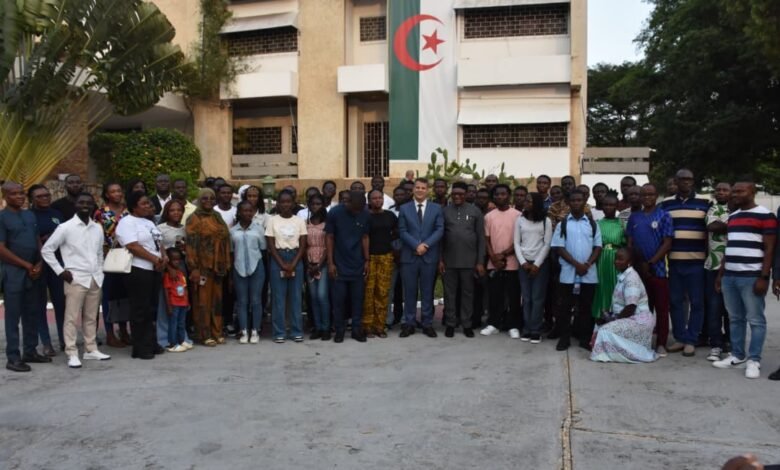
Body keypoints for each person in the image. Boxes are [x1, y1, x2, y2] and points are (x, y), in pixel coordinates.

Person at [714, 180, 776, 379]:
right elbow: (730, 247)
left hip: (751, 276)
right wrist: (720, 274)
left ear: (753, 192)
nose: (735, 194)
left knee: (756, 320)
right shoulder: (733, 216)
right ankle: (738, 355)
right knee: (735, 318)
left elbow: (769, 250)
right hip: (730, 275)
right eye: (734, 192)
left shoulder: (766, 216)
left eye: (741, 191)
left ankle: (754, 360)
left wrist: (764, 277)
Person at [41, 192, 111, 368]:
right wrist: (60, 271)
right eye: (81, 202)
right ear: (76, 205)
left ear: (93, 205)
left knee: (91, 317)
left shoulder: (97, 228)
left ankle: (90, 349)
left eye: (89, 202)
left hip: (95, 278)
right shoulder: (65, 227)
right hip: (76, 278)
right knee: (71, 318)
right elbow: (47, 250)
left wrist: (100, 271)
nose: (85, 205)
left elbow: (99, 253)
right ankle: (72, 352)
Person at [660, 169, 710, 357]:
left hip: (697, 262)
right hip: (674, 262)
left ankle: (691, 339)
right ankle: (680, 337)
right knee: (675, 301)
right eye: (682, 180)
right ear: (677, 181)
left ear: (693, 181)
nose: (686, 183)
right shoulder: (666, 204)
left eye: (689, 179)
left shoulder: (705, 202)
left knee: (697, 302)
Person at [0, 181, 49, 372]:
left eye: (21, 193)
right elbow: (1, 249)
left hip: (33, 270)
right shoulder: (2, 218)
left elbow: (37, 240)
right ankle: (13, 357)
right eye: (14, 194)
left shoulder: (29, 215)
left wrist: (39, 261)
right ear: (5, 196)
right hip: (13, 271)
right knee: (13, 315)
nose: (19, 197)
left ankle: (30, 350)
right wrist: (26, 265)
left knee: (32, 312)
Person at [550, 190, 603, 351]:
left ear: (585, 201)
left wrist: (586, 264)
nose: (576, 203)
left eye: (579, 200)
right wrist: (576, 264)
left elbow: (598, 247)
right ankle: (564, 338)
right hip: (568, 274)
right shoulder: (563, 224)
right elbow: (558, 247)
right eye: (573, 200)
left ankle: (584, 338)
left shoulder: (593, 224)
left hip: (588, 274)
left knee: (586, 308)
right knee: (565, 307)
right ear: (568, 203)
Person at [115, 191, 165, 360]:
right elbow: (133, 246)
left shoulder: (149, 222)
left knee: (151, 308)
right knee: (140, 310)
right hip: (138, 270)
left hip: (154, 270)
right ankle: (140, 347)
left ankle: (151, 341)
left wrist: (162, 259)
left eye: (148, 204)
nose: (148, 206)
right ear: (133, 206)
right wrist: (154, 259)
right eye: (143, 203)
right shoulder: (126, 222)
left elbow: (159, 242)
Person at [626, 184, 673, 357]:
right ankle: (642, 341)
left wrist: (651, 262)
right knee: (642, 309)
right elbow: (630, 242)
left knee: (661, 308)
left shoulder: (664, 216)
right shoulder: (634, 217)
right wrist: (635, 263)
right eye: (643, 194)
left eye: (650, 194)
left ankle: (661, 343)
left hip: (658, 270)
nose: (647, 198)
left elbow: (667, 243)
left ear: (656, 196)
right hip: (638, 271)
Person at [590, 248, 657, 363]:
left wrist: (612, 320)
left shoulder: (632, 278)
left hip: (639, 321)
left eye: (621, 259)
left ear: (629, 262)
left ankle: (613, 353)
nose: (616, 261)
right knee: (599, 323)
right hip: (630, 318)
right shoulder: (624, 275)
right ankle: (607, 350)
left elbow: (631, 307)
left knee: (605, 331)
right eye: (616, 258)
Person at [398, 178, 444, 338]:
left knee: (427, 292)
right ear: (413, 190)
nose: (419, 190)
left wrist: (425, 245)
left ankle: (427, 323)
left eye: (423, 188)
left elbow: (439, 230)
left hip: (428, 256)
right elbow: (402, 231)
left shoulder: (436, 208)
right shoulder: (404, 209)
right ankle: (409, 323)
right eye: (417, 187)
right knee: (409, 292)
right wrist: (415, 245)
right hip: (409, 256)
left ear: (427, 190)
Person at [185, 188, 231, 347]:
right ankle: (204, 334)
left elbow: (226, 238)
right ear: (199, 199)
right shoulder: (194, 218)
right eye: (204, 198)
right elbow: (190, 245)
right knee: (202, 301)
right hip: (202, 266)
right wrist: (194, 268)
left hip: (218, 266)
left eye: (212, 198)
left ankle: (217, 331)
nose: (208, 201)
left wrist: (226, 262)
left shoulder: (217, 216)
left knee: (217, 300)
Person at [440, 182, 485, 338]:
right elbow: (440, 238)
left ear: (466, 194)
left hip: (469, 261)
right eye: (454, 194)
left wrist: (479, 262)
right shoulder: (444, 211)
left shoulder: (475, 211)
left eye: (460, 194)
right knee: (449, 294)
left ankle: (467, 324)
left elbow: (481, 238)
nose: (457, 196)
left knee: (468, 294)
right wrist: (440, 260)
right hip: (449, 261)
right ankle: (451, 323)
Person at [326, 191, 370, 342]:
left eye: (360, 209)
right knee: (339, 300)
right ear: (348, 202)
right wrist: (331, 263)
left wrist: (367, 260)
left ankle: (357, 330)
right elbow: (330, 238)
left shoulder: (364, 214)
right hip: (339, 265)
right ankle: (339, 330)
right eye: (355, 209)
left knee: (358, 300)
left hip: (357, 265)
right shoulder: (334, 213)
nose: (358, 212)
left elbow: (365, 237)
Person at [480, 184, 522, 338]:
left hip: (513, 263)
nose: (500, 197)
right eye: (497, 194)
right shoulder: (489, 216)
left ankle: (513, 325)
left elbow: (519, 240)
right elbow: (486, 239)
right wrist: (493, 257)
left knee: (513, 296)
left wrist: (503, 255)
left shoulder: (518, 215)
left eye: (503, 194)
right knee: (494, 295)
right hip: (494, 263)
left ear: (509, 196)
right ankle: (493, 324)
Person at [266, 190, 307, 343]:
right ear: (277, 204)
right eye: (282, 202)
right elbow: (270, 244)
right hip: (278, 258)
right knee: (278, 298)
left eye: (288, 201)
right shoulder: (272, 220)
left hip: (296, 256)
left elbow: (303, 244)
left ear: (293, 203)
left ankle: (296, 330)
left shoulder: (299, 221)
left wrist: (294, 263)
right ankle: (279, 332)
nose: (285, 205)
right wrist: (282, 264)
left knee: (296, 297)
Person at [28, 184, 65, 355]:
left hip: (57, 265)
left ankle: (65, 340)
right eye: (40, 196)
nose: (44, 198)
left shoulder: (57, 214)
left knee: (61, 303)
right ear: (32, 199)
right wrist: (44, 240)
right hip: (38, 264)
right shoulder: (28, 216)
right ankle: (46, 343)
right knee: (40, 304)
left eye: (46, 195)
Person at [94, 182, 132, 348]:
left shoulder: (129, 211)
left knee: (125, 295)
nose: (117, 193)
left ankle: (123, 330)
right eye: (113, 191)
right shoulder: (100, 213)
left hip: (127, 258)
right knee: (109, 297)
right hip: (108, 259)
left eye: (119, 190)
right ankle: (110, 333)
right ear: (107, 194)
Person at [514, 192, 552, 343]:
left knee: (537, 298)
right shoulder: (520, 220)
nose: (525, 202)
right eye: (526, 200)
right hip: (524, 262)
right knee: (527, 297)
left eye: (529, 200)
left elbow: (547, 244)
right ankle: (527, 328)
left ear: (536, 203)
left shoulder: (545, 221)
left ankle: (536, 329)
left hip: (540, 264)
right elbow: (517, 242)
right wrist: (523, 262)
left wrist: (537, 264)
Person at [156, 199, 193, 351]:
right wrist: (167, 268)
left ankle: (181, 337)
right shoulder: (160, 229)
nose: (176, 213)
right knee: (167, 304)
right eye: (172, 210)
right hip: (166, 269)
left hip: (181, 268)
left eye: (179, 210)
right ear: (166, 212)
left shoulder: (185, 229)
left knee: (181, 304)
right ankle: (165, 338)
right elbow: (158, 249)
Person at [362, 190, 397, 338]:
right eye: (374, 198)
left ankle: (380, 325)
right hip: (370, 257)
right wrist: (366, 259)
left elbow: (396, 234)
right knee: (369, 292)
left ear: (383, 200)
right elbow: (363, 237)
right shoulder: (364, 217)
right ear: (369, 200)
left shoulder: (390, 216)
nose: (377, 200)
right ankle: (367, 326)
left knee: (383, 292)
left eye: (380, 198)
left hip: (386, 257)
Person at [230, 201, 265, 344]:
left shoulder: (258, 229)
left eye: (250, 211)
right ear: (239, 212)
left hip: (257, 266)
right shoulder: (232, 231)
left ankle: (255, 330)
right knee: (242, 301)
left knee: (256, 300)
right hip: (239, 268)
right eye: (244, 210)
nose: (247, 213)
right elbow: (231, 252)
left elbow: (263, 249)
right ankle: (244, 330)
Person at [704, 182, 731, 361]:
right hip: (712, 266)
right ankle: (715, 345)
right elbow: (712, 226)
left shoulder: (737, 210)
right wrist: (733, 224)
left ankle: (730, 343)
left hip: (733, 267)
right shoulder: (712, 208)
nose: (721, 192)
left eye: (725, 190)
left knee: (731, 310)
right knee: (714, 308)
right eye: (718, 190)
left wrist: (726, 223)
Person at [592, 195, 626, 319]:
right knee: (601, 287)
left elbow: (625, 243)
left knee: (615, 286)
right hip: (601, 258)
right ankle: (600, 315)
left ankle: (615, 315)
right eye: (606, 205)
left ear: (617, 207)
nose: (608, 207)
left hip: (616, 258)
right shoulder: (597, 223)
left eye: (611, 205)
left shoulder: (621, 224)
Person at [305, 194, 331, 340]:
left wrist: (320, 264)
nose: (315, 206)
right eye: (313, 204)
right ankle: (318, 327)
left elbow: (329, 246)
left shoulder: (327, 223)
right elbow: (303, 245)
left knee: (322, 296)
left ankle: (327, 327)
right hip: (309, 262)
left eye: (318, 204)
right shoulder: (305, 223)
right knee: (313, 297)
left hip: (323, 263)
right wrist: (309, 264)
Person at [162, 247, 189, 352]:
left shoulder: (181, 273)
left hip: (183, 303)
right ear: (169, 260)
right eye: (174, 260)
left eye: (178, 260)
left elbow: (185, 287)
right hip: (174, 303)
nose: (176, 262)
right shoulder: (168, 275)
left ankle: (182, 340)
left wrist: (187, 301)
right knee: (173, 324)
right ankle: (172, 343)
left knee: (181, 323)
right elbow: (165, 290)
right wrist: (168, 306)